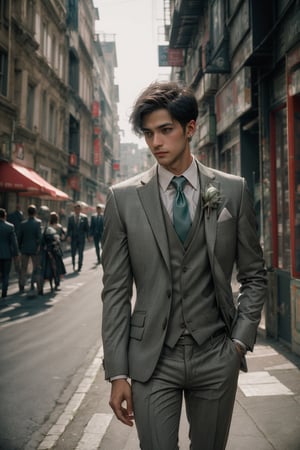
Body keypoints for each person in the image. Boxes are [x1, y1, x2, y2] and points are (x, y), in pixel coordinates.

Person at [101, 81, 267, 450]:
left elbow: (255, 275)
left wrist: (239, 342)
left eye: (165, 130)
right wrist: (117, 371)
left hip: (216, 353)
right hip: (151, 361)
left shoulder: (232, 190)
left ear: (190, 129)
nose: (155, 142)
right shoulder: (123, 199)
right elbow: (114, 292)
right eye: (148, 133)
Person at [18, 204, 43, 295]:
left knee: (23, 268)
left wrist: (20, 248)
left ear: (27, 213)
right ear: (35, 212)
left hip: (24, 248)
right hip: (35, 249)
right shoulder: (38, 223)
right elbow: (39, 237)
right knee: (36, 268)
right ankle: (39, 287)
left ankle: (21, 286)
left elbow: (19, 237)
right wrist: (38, 247)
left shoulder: (23, 224)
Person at [41, 212, 66, 291]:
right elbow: (63, 237)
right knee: (57, 267)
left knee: (49, 267)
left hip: (49, 250)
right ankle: (56, 283)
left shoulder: (47, 228)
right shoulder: (59, 227)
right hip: (56, 249)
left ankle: (51, 284)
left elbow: (43, 239)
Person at [0, 208, 19, 298]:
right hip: (7, 254)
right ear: (5, 216)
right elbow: (14, 242)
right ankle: (4, 292)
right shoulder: (10, 226)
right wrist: (16, 254)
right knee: (6, 274)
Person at [66, 202, 89, 272]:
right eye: (76, 209)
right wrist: (68, 236)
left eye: (79, 209)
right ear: (74, 210)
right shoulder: (71, 218)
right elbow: (69, 228)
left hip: (81, 238)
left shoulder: (84, 218)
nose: (77, 211)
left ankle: (79, 265)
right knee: (73, 253)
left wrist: (88, 236)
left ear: (80, 210)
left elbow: (87, 228)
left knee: (80, 253)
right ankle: (73, 265)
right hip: (73, 238)